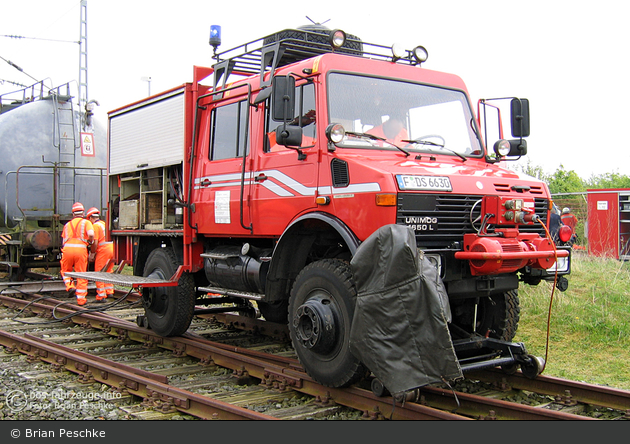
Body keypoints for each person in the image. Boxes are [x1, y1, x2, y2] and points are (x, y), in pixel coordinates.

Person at [60, 202, 95, 305]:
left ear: (73, 214)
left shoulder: (67, 225)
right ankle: (81, 300)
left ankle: (70, 286)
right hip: (81, 251)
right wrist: (90, 241)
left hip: (67, 250)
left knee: (65, 270)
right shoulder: (86, 223)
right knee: (81, 275)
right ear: (83, 213)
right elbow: (91, 234)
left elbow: (63, 241)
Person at [86, 207, 115, 301]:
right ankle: (109, 291)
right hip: (112, 249)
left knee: (99, 272)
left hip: (103, 250)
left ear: (90, 218)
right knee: (108, 271)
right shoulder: (104, 224)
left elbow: (95, 242)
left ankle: (101, 295)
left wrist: (92, 253)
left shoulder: (95, 226)